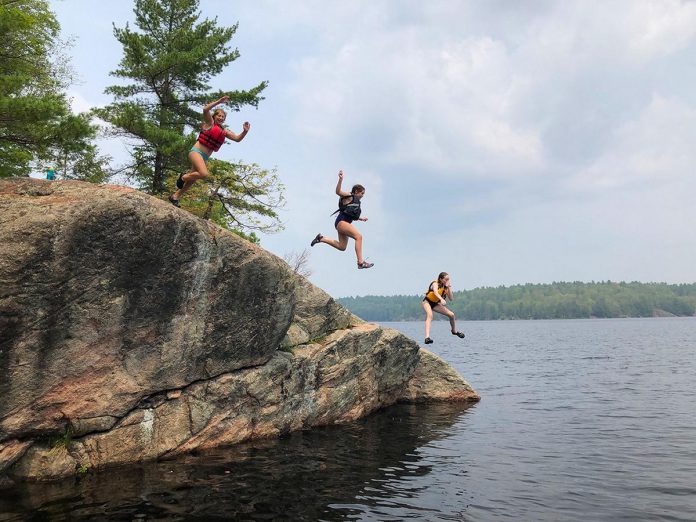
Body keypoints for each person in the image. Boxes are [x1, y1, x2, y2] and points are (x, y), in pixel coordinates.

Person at [169, 95, 250, 207]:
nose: (221, 118)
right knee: (203, 173)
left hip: (204, 157)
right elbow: (205, 109)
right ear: (214, 116)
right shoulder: (209, 123)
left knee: (192, 180)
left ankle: (175, 196)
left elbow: (237, 139)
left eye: (223, 117)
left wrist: (244, 132)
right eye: (219, 116)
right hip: (196, 152)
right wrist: (219, 102)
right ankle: (183, 177)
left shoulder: (224, 131)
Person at [310, 170, 374, 269]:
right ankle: (360, 262)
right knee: (358, 237)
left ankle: (321, 238)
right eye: (362, 193)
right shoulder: (349, 196)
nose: (363, 196)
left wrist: (361, 218)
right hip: (341, 222)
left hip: (342, 223)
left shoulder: (354, 201)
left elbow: (350, 213)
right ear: (356, 191)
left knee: (342, 247)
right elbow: (338, 192)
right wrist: (340, 180)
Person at [422, 272, 465, 344]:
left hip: (435, 304)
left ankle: (454, 331)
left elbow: (451, 298)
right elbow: (435, 292)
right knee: (430, 315)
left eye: (448, 279)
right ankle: (427, 337)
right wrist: (441, 299)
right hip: (427, 302)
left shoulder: (446, 288)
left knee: (451, 315)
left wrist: (449, 287)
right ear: (441, 279)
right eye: (446, 279)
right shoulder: (435, 284)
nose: (447, 281)